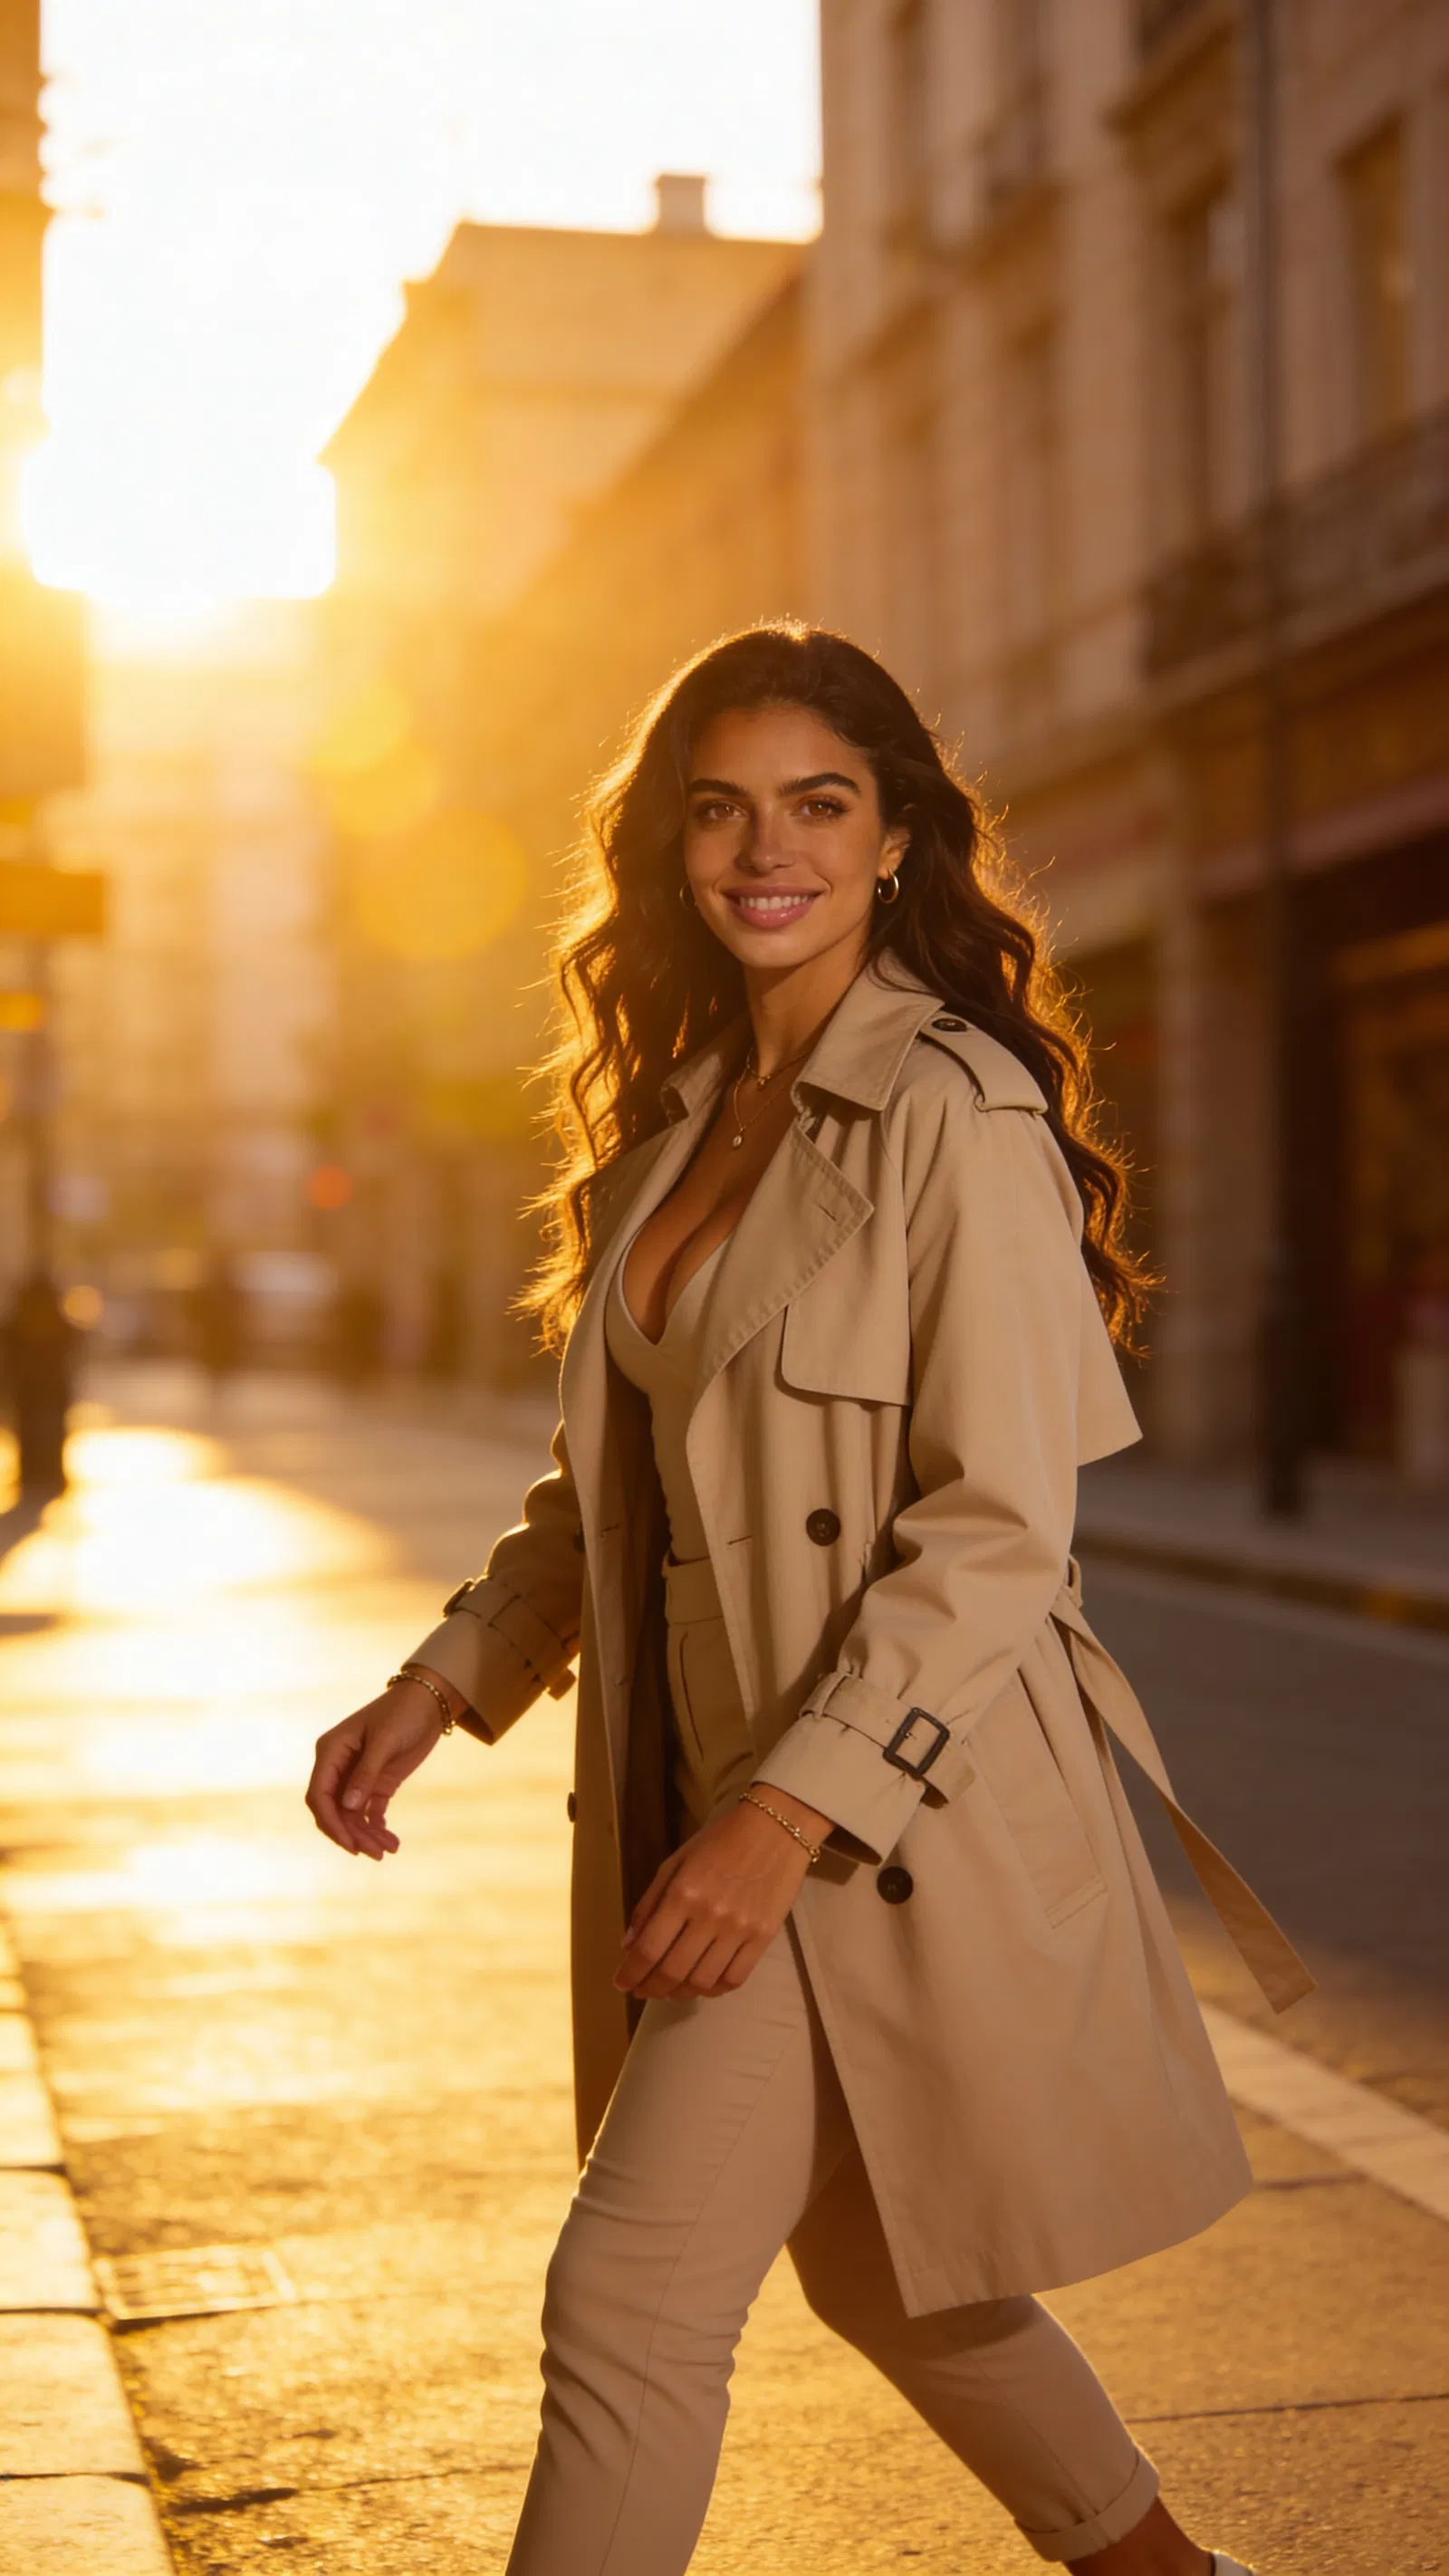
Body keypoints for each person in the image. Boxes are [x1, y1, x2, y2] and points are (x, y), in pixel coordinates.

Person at [306, 627, 1309, 2576]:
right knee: (883, 2267)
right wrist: (445, 1678)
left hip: (870, 1804)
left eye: (817, 803)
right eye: (721, 809)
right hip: (712, 1777)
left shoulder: (951, 1109)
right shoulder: (668, 1127)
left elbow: (997, 1528)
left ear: (895, 835)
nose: (766, 848)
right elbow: (610, 1499)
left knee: (628, 2300)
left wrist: (781, 1815)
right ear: (672, 847)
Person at [0, 1269, 76, 1496]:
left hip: (39, 1391)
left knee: (39, 1433)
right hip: (38, 1391)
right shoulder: (55, 1325)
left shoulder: (21, 1326)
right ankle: (41, 1474)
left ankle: (40, 1473)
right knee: (39, 1433)